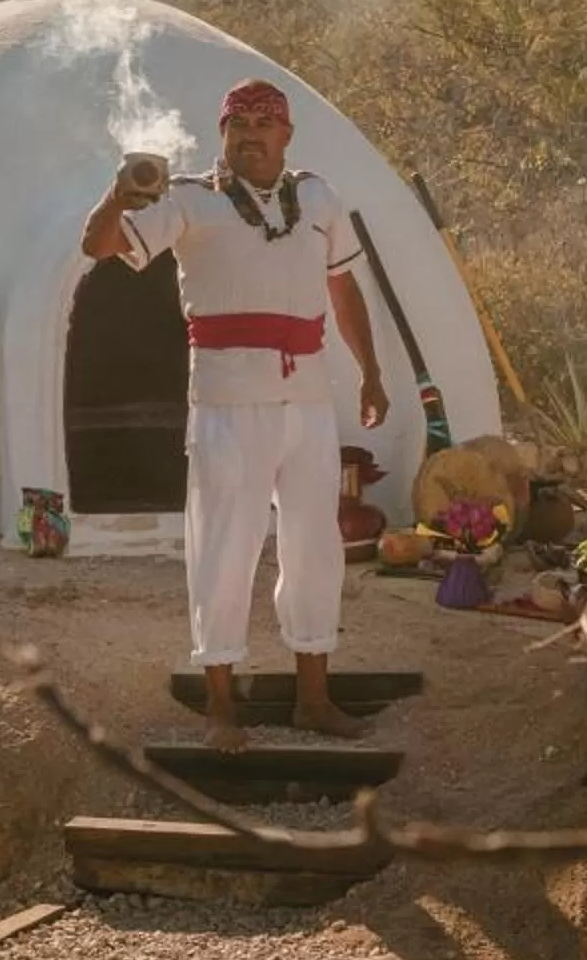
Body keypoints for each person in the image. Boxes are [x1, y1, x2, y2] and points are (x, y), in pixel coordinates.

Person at [80, 78, 390, 752]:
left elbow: (341, 287)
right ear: (222, 133)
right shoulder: (189, 200)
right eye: (236, 123)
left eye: (263, 122)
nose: (249, 133)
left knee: (314, 546)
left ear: (286, 134)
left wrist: (370, 372)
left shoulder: (316, 198)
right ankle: (223, 709)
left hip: (306, 401)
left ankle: (314, 698)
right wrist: (119, 193)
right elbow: (97, 248)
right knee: (224, 546)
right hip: (225, 404)